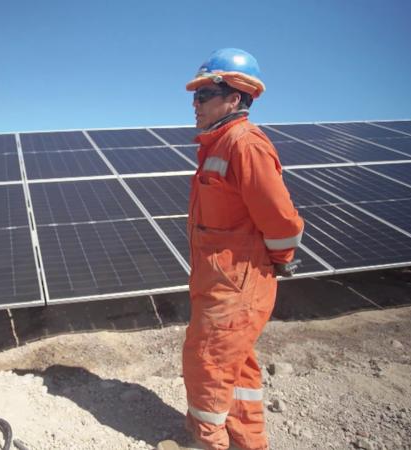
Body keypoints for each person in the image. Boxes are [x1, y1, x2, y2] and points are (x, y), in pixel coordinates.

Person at [182, 48, 304, 450]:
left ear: (233, 99)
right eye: (195, 95)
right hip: (220, 282)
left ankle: (208, 444)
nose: (194, 103)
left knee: (209, 365)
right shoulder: (217, 146)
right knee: (237, 368)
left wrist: (282, 258)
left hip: (236, 286)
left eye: (203, 95)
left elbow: (280, 218)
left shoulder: (244, 144)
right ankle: (248, 443)